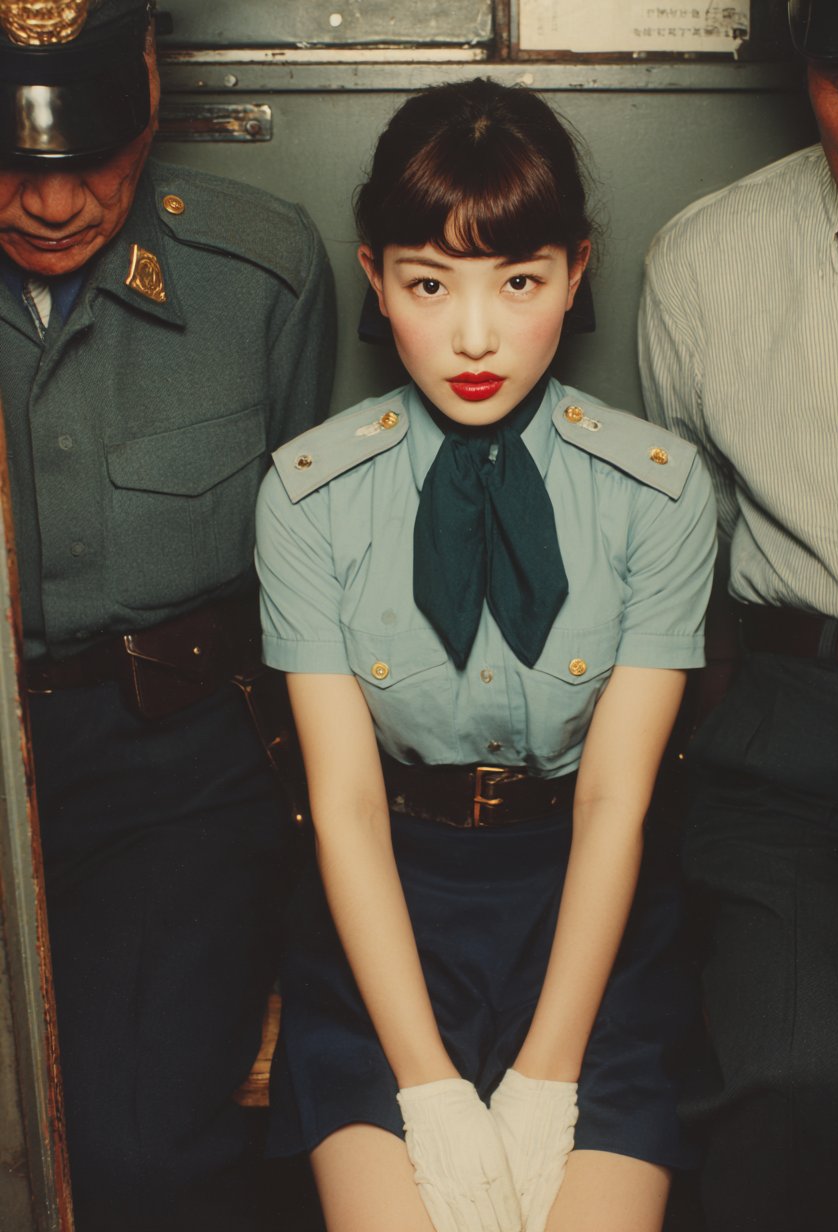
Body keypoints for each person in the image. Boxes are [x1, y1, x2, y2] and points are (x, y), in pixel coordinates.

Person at [256, 78, 716, 1232]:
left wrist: (549, 1074)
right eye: (429, 284)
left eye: (519, 281)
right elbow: (344, 804)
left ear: (576, 270)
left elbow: (614, 798)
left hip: (591, 915)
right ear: (375, 279)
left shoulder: (658, 493)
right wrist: (424, 1084)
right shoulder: (307, 496)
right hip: (384, 917)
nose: (474, 336)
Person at [0, 2, 335, 1229]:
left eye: (90, 153)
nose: (52, 204)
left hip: (174, 772)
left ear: (148, 92)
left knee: (139, 1157)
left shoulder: (259, 271)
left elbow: (308, 580)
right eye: (11, 158)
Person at [637, 1, 838, 1229]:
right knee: (794, 1084)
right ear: (805, 77)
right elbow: (685, 580)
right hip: (805, 744)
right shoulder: (709, 261)